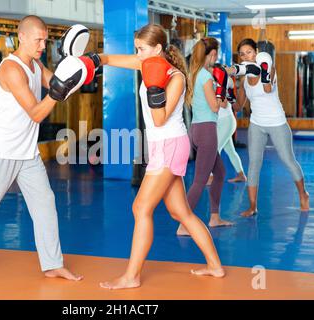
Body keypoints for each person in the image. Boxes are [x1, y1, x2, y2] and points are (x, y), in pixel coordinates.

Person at [0, 16, 91, 289]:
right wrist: (59, 90)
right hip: (1, 152)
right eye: (38, 39)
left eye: (45, 39)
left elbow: (60, 87)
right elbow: (37, 112)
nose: (42, 44)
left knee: (45, 205)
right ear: (22, 37)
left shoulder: (36, 64)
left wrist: (81, 70)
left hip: (27, 154)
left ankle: (52, 264)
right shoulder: (11, 70)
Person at [98, 24, 225, 290]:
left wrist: (154, 87)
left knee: (140, 208)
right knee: (181, 212)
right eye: (136, 49)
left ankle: (131, 276)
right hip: (161, 146)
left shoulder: (175, 76)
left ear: (157, 49)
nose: (138, 54)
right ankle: (215, 266)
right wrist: (88, 61)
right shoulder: (146, 62)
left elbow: (158, 119)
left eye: (141, 49)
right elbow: (108, 59)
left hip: (169, 145)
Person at [226, 38, 309, 217]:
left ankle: (303, 194)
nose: (245, 56)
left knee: (288, 160)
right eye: (242, 54)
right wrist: (227, 90)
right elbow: (238, 106)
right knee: (254, 165)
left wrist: (242, 72)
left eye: (249, 52)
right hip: (257, 123)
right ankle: (253, 206)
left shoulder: (267, 67)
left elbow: (267, 88)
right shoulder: (244, 79)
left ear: (256, 52)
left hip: (277, 122)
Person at [177, 37, 234, 236]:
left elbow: (222, 103)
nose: (216, 58)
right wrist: (220, 91)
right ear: (211, 54)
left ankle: (215, 217)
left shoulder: (194, 74)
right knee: (200, 180)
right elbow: (215, 106)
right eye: (216, 54)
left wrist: (223, 93)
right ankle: (184, 224)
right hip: (207, 130)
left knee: (220, 172)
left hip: (196, 129)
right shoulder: (205, 76)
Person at [207, 77, 247, 185]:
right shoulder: (217, 85)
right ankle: (241, 175)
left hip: (226, 122)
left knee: (214, 149)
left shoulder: (223, 86)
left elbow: (224, 104)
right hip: (222, 122)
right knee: (230, 151)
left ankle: (211, 177)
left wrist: (213, 94)